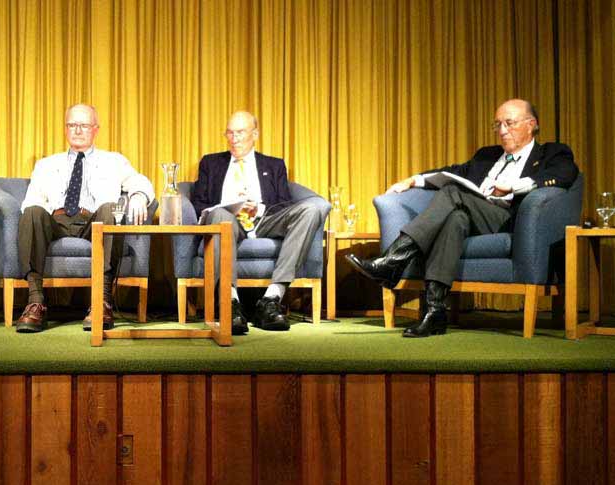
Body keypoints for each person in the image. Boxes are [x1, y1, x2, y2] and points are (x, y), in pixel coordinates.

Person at [346, 98, 578, 337]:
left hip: (509, 218)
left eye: (509, 123)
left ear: (531, 124)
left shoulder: (552, 152)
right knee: (455, 218)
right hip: (473, 215)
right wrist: (413, 180)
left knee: (452, 193)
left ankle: (394, 259)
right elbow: (452, 171)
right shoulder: (487, 156)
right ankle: (435, 313)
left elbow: (565, 173)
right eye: (497, 125)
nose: (502, 131)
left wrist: (513, 187)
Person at [15, 103, 154, 333]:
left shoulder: (115, 161)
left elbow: (140, 181)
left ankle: (102, 301)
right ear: (65, 129)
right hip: (56, 222)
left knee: (111, 208)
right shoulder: (46, 164)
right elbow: (32, 200)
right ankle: (35, 302)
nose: (77, 130)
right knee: (31, 211)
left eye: (84, 125)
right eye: (72, 125)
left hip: (94, 221)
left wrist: (138, 195)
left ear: (96, 129)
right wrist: (36, 217)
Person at [191, 111, 328, 334]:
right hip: (228, 220)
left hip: (265, 219)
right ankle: (230, 304)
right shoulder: (211, 163)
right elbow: (199, 204)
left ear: (255, 134)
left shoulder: (274, 165)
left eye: (240, 132)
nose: (234, 138)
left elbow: (284, 205)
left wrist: (259, 208)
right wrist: (229, 207)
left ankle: (271, 299)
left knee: (313, 209)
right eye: (230, 133)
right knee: (219, 218)